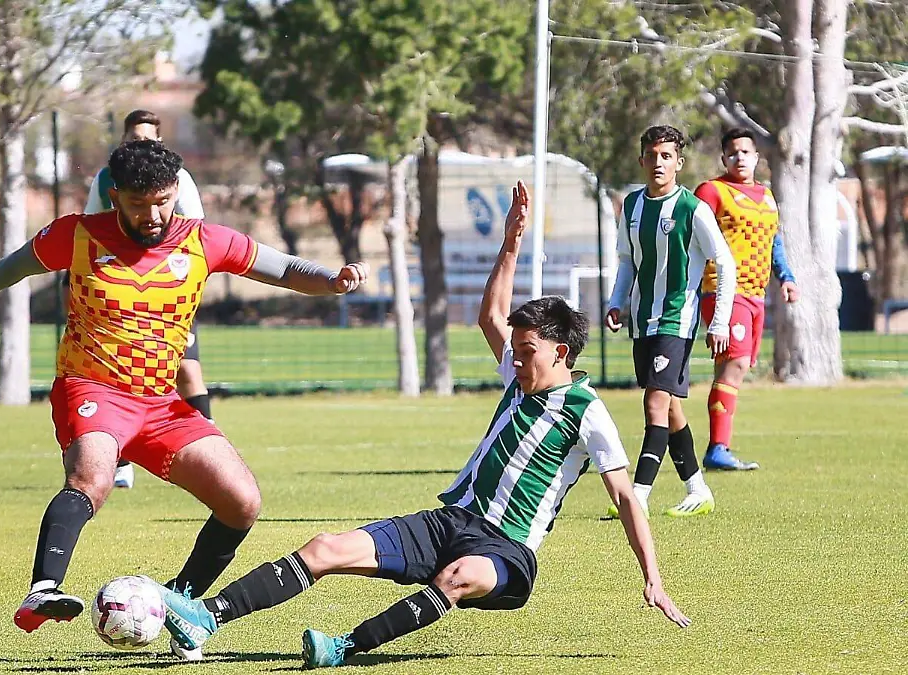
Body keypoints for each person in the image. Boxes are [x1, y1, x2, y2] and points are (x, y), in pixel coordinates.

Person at [156, 181, 691, 669]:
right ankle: (207, 615)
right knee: (324, 549)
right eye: (518, 350)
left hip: (507, 550)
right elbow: (491, 313)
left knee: (457, 579)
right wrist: (511, 242)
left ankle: (343, 648)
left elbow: (624, 497)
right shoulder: (519, 374)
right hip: (448, 521)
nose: (518, 360)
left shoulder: (586, 409)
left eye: (529, 352)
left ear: (561, 351)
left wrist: (654, 579)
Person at [0, 140, 369, 660]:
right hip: (92, 386)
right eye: (138, 203)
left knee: (242, 501)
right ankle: (43, 591)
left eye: (163, 200)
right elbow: (14, 267)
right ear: (115, 196)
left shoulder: (205, 241)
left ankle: (182, 603)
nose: (153, 214)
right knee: (92, 478)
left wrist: (333, 280)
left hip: (161, 402)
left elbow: (283, 268)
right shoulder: (79, 234)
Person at [605, 125, 737, 519]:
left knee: (655, 402)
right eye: (652, 155)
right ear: (642, 159)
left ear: (679, 163)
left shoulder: (692, 209)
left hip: (677, 321)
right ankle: (697, 489)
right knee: (671, 409)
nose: (658, 163)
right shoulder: (631, 206)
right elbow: (627, 261)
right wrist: (617, 303)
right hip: (642, 322)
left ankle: (638, 496)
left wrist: (720, 322)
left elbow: (724, 262)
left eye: (667, 156)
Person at [85, 109, 213, 490]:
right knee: (118, 375)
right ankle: (120, 461)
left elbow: (197, 231)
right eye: (133, 138)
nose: (140, 144)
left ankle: (208, 446)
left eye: (148, 138)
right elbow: (90, 229)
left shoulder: (179, 178)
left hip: (168, 289)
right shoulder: (107, 178)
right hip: (119, 293)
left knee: (188, 370)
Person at [695, 127, 799, 471]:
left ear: (757, 157)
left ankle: (713, 445)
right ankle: (717, 448)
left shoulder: (767, 197)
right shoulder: (712, 191)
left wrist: (785, 277)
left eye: (746, 152)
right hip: (724, 291)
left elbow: (774, 243)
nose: (739, 157)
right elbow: (691, 236)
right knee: (734, 365)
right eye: (732, 152)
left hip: (755, 294)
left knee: (733, 367)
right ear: (724, 157)